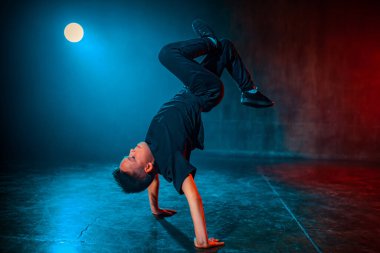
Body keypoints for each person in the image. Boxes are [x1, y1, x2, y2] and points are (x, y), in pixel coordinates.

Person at [113, 19, 274, 249]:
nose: (131, 150)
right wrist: (200, 239)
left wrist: (155, 209)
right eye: (131, 157)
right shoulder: (169, 159)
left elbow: (152, 181)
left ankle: (249, 90)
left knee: (225, 47)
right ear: (147, 165)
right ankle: (208, 41)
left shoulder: (153, 156)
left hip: (194, 87)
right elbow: (192, 196)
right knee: (166, 54)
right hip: (203, 90)